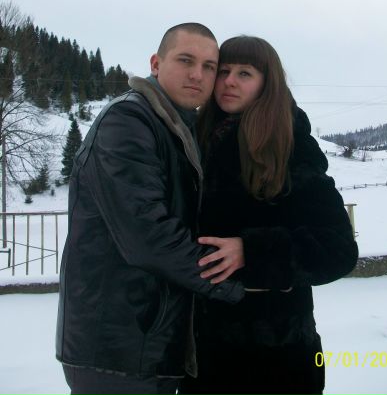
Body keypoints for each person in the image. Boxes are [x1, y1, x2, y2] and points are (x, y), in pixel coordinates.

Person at [56, 23, 244, 395]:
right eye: (186, 60)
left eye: (209, 66)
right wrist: (238, 285)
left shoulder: (178, 126)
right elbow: (148, 236)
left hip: (151, 343)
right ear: (156, 63)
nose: (198, 74)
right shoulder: (128, 121)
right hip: (115, 350)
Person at [180, 35, 359, 395]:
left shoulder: (290, 145)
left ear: (267, 83)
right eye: (224, 71)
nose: (229, 81)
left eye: (245, 73)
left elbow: (339, 249)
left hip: (276, 358)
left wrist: (252, 251)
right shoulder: (196, 138)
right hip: (202, 354)